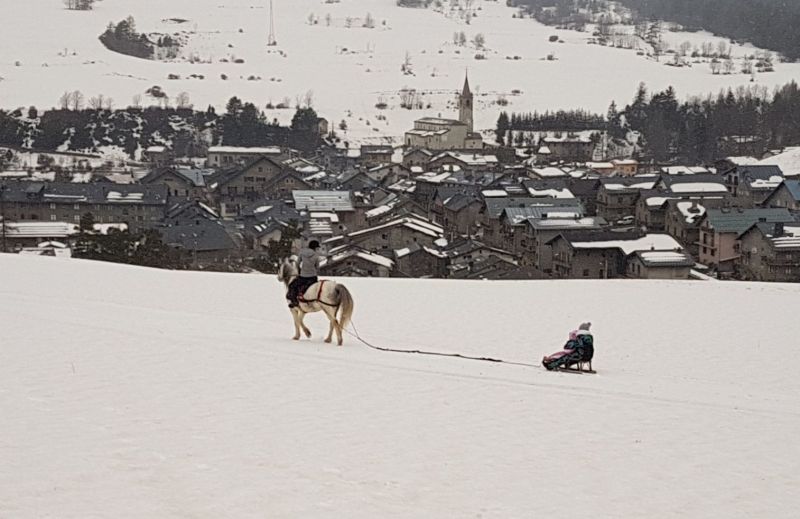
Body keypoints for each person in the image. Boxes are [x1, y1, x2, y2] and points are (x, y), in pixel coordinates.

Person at [287, 240, 323, 308]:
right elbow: (317, 267)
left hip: (303, 276)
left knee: (292, 286)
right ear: (315, 248)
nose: (317, 249)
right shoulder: (316, 255)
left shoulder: (301, 253)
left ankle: (294, 301)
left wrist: (300, 271)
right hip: (313, 277)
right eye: (317, 248)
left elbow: (297, 263)